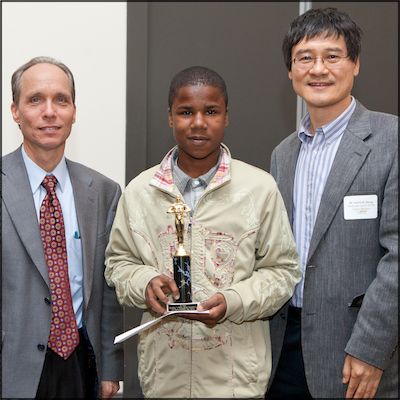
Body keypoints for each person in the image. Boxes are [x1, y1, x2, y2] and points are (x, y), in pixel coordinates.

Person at [105, 65, 301, 398]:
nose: (198, 122)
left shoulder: (259, 189)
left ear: (226, 116)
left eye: (211, 111)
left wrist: (233, 300)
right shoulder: (140, 192)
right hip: (165, 378)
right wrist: (145, 283)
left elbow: (282, 272)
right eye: (185, 112)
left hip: (235, 380)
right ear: (170, 117)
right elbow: (118, 263)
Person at [266, 8, 398, 399]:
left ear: (355, 64)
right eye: (305, 58)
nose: (318, 69)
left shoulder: (390, 140)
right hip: (284, 349)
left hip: (357, 352)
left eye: (332, 56)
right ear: (291, 71)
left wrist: (370, 349)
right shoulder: (282, 154)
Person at [1, 56, 124, 399]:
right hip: (11, 366)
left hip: (80, 363)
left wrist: (110, 367)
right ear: (15, 111)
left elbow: (107, 289)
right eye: (35, 99)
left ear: (74, 111)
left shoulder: (103, 191)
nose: (50, 112)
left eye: (61, 100)